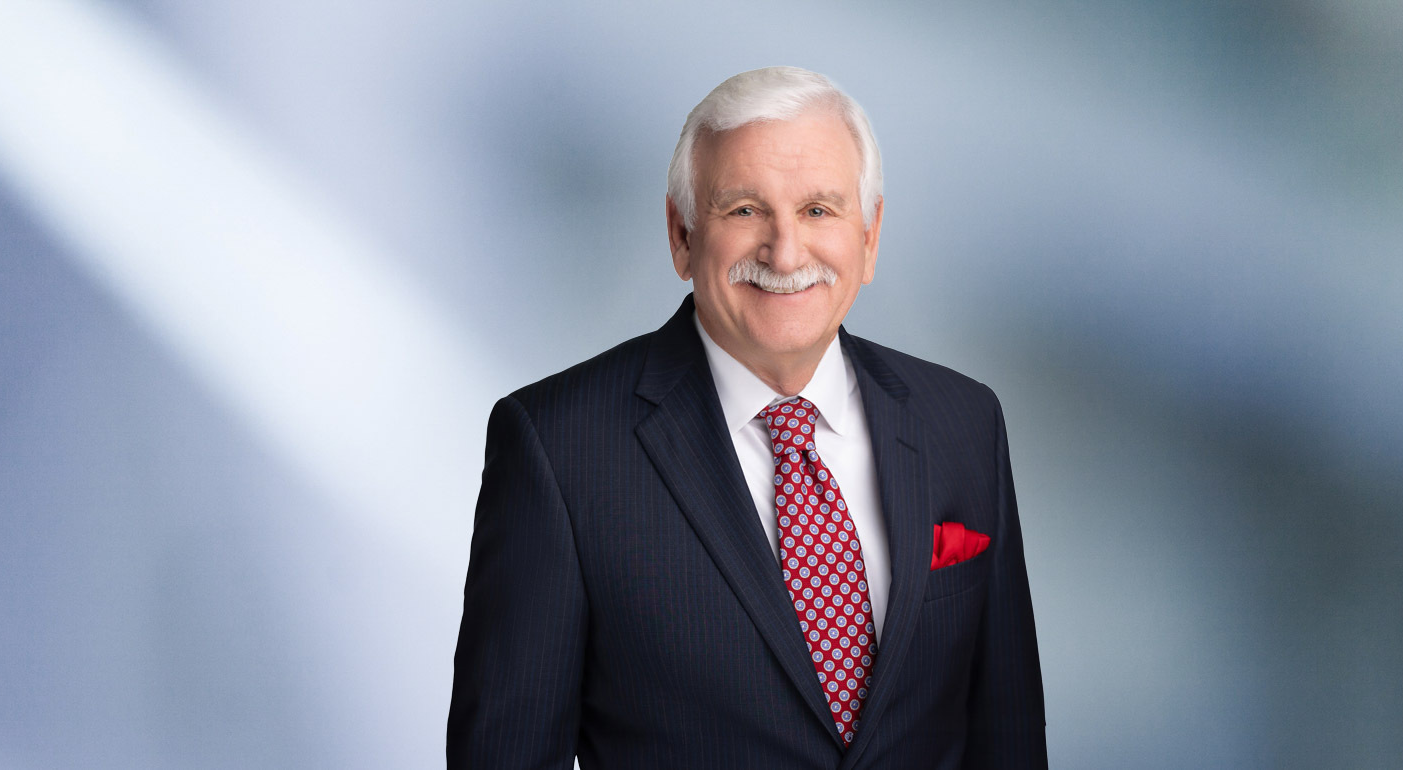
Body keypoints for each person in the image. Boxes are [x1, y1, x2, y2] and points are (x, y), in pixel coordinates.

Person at [448, 66, 1046, 769]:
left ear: (870, 235)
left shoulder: (965, 423)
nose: (785, 252)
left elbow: (1009, 743)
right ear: (681, 234)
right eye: (744, 211)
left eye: (819, 210)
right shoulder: (558, 448)